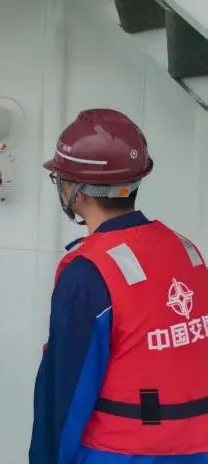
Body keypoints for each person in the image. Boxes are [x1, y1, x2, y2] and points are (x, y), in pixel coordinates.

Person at [30, 109, 208, 463]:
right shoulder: (185, 248)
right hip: (196, 445)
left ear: (76, 191)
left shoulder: (88, 271)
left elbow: (67, 387)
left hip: (119, 450)